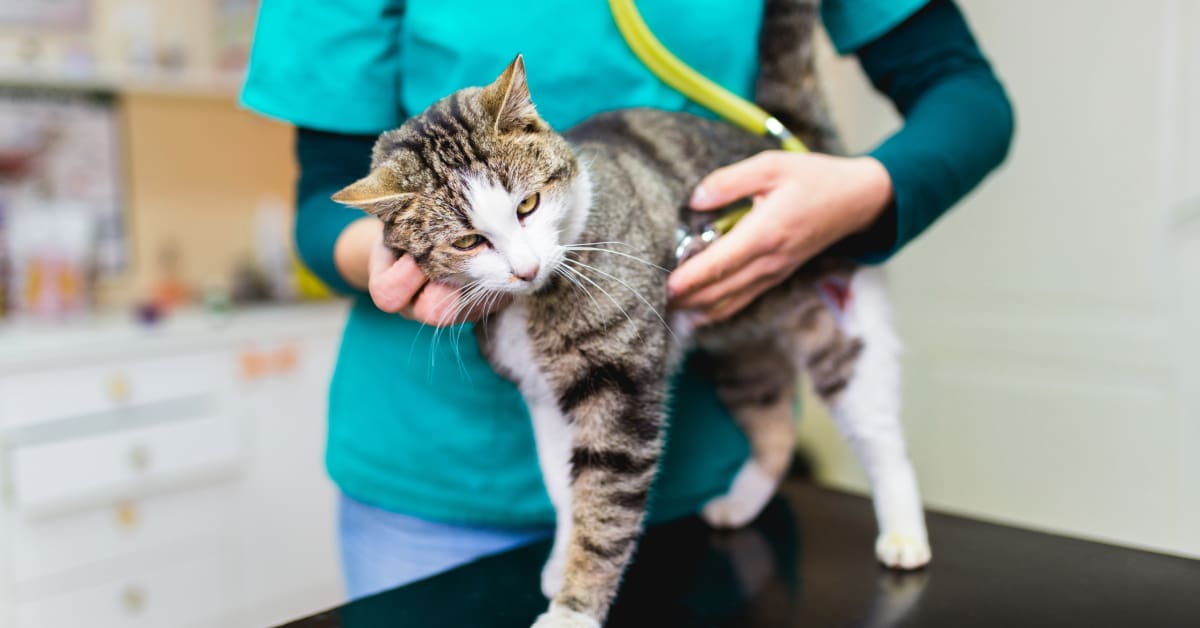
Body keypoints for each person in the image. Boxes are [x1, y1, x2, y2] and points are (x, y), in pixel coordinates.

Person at [241, 0, 1013, 600]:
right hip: (431, 487)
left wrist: (864, 192)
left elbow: (963, 89)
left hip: (698, 479)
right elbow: (323, 195)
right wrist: (404, 255)